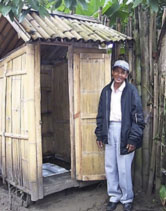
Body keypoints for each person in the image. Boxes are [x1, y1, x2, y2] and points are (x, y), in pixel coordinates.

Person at [95, 60, 145, 211]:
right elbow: (101, 115)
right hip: (109, 130)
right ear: (112, 72)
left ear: (126, 75)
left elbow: (138, 118)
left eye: (122, 72)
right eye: (116, 71)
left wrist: (133, 139)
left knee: (123, 168)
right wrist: (99, 134)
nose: (119, 75)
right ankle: (114, 196)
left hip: (126, 131)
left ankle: (127, 198)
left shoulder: (131, 91)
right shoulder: (106, 91)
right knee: (110, 166)